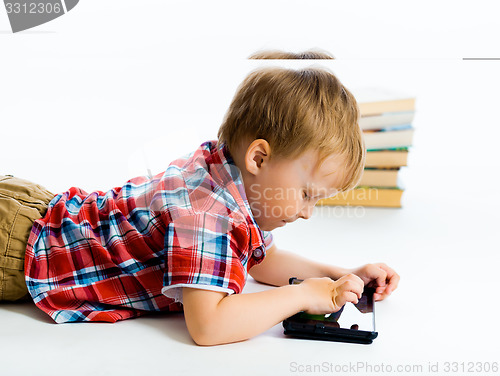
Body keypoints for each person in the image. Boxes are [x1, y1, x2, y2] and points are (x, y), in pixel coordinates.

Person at [0, 65, 399, 346]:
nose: (308, 211)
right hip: (18, 251)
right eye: (308, 193)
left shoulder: (231, 178)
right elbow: (208, 326)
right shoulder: (206, 213)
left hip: (35, 215)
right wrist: (303, 297)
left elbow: (260, 259)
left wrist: (340, 277)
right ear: (259, 158)